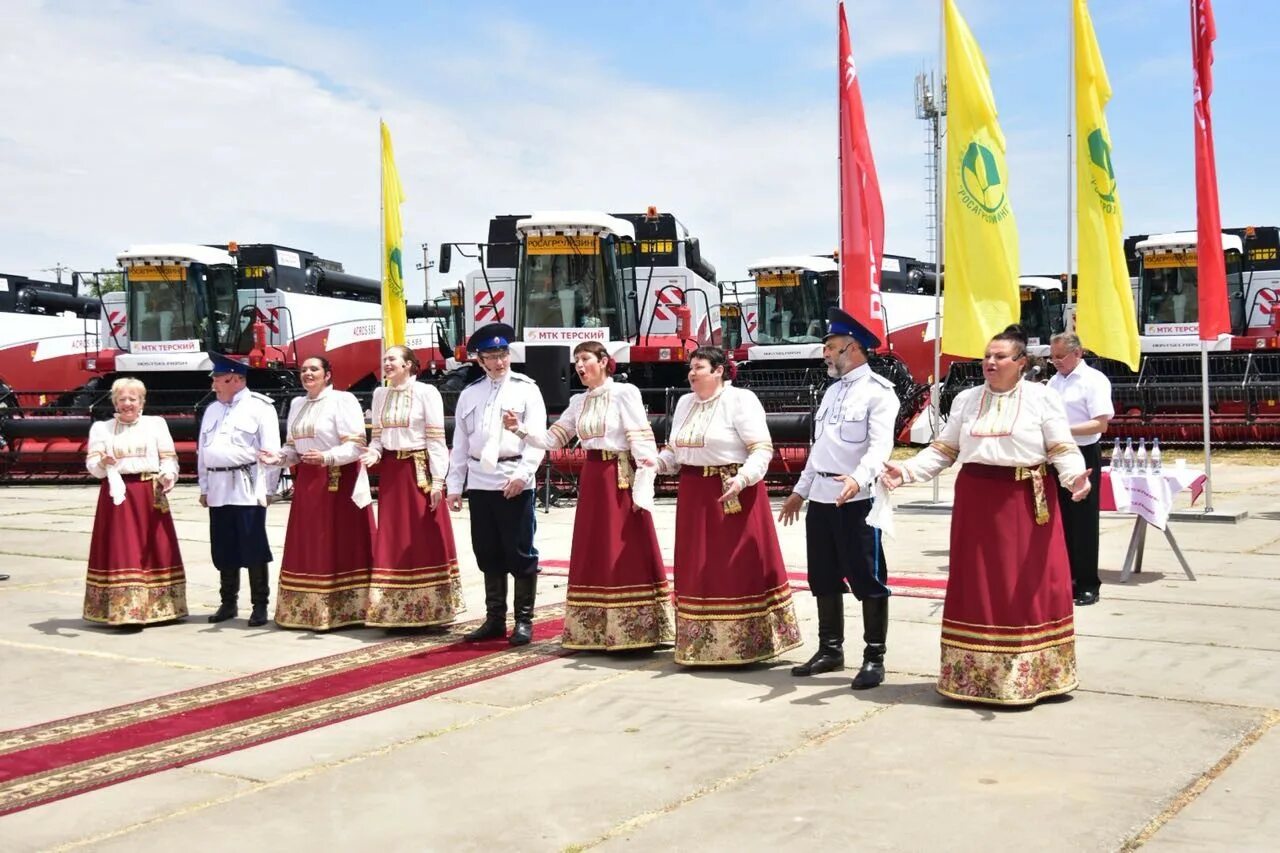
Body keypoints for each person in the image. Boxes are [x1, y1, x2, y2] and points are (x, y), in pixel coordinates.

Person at [882, 325, 1092, 706]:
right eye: (986, 356)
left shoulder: (1042, 398)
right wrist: (906, 471)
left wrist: (1075, 477)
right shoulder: (966, 399)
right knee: (977, 584)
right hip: (977, 501)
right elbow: (945, 449)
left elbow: (1061, 447)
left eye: (999, 357)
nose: (990, 363)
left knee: (1022, 586)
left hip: (1025, 501)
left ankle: (1033, 677)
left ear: (1021, 363)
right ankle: (972, 679)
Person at [503, 340, 672, 651]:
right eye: (576, 361)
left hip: (618, 476)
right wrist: (519, 430)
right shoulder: (579, 402)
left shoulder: (625, 393)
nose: (579, 366)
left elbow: (642, 441)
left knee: (623, 546)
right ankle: (593, 630)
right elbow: (554, 439)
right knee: (594, 546)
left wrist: (643, 487)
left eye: (585, 359)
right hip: (593, 477)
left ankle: (635, 630)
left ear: (604, 361)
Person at [655, 345, 802, 665]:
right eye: (690, 368)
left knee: (734, 567)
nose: (692, 373)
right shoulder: (684, 403)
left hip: (733, 493)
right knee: (698, 565)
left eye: (699, 367)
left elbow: (761, 449)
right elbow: (675, 452)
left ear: (719, 370)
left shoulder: (740, 400)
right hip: (694, 494)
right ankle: (700, 646)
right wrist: (654, 463)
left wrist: (744, 479)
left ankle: (747, 645)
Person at [778, 308, 899, 689]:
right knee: (823, 576)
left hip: (858, 497)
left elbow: (880, 447)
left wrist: (858, 479)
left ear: (852, 348)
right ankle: (830, 649)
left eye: (830, 347)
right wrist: (800, 491)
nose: (825, 354)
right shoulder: (831, 391)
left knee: (868, 577)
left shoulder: (879, 392)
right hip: (823, 497)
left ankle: (874, 656)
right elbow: (821, 450)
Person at [446, 323, 547, 645]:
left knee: (519, 550)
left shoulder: (526, 388)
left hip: (512, 475)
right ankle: (494, 619)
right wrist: (454, 486)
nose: (500, 362)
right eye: (492, 356)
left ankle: (524, 620)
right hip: (480, 480)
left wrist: (523, 475)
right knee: (487, 551)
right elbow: (461, 443)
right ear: (480, 360)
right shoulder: (469, 393)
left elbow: (538, 439)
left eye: (503, 355)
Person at [259, 356, 374, 630]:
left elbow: (356, 445)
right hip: (308, 484)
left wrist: (326, 457)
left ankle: (346, 610)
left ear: (327, 374)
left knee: (335, 543)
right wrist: (277, 458)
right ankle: (305, 610)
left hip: (337, 481)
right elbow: (293, 450)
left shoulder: (342, 401)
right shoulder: (299, 404)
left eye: (314, 369)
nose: (308, 374)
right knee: (309, 543)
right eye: (304, 370)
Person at [363, 345, 464, 628]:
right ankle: (392, 610)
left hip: (418, 470)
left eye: (392, 359)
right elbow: (377, 438)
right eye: (384, 359)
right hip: (392, 474)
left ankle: (432, 610)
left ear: (408, 364)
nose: (387, 363)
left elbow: (435, 439)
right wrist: (374, 452)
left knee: (423, 537)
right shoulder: (380, 394)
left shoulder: (425, 393)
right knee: (392, 537)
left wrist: (439, 481)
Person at [83, 377, 186, 627]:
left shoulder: (156, 424)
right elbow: (92, 467)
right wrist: (102, 463)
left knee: (155, 546)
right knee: (123, 548)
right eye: (122, 399)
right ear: (115, 402)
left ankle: (162, 607)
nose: (127, 403)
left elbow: (168, 458)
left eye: (133, 399)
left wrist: (168, 474)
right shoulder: (101, 429)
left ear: (142, 401)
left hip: (149, 491)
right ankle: (126, 611)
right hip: (117, 495)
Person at [198, 354, 280, 627]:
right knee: (223, 546)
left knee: (253, 546)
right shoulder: (212, 409)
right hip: (218, 486)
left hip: (246, 485)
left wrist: (268, 489)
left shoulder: (260, 407)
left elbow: (271, 450)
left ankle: (259, 605)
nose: (214, 385)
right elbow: (203, 452)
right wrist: (204, 486)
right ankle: (228, 602)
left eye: (218, 380)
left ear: (235, 379)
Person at [1048, 332, 1113, 606]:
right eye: (1052, 357)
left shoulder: (1093, 381)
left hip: (1082, 452)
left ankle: (1088, 583)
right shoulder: (1053, 382)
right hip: (1055, 454)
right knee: (1060, 520)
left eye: (1060, 356)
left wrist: (1063, 430)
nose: (1056, 362)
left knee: (1083, 521)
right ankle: (1067, 578)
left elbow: (1100, 424)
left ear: (1078, 353)